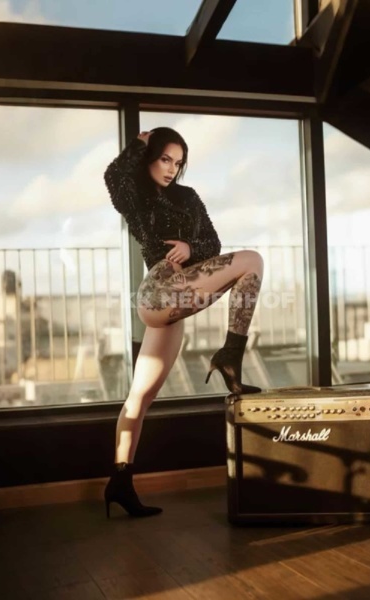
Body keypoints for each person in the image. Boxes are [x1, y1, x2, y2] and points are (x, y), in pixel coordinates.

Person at [103, 127, 263, 518]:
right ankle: (230, 356)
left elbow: (213, 245)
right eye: (164, 159)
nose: (171, 168)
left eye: (177, 162)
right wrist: (139, 144)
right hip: (158, 290)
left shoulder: (188, 197)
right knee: (252, 261)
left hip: (173, 305)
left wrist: (191, 247)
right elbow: (113, 176)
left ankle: (119, 482)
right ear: (150, 158)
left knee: (140, 397)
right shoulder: (136, 195)